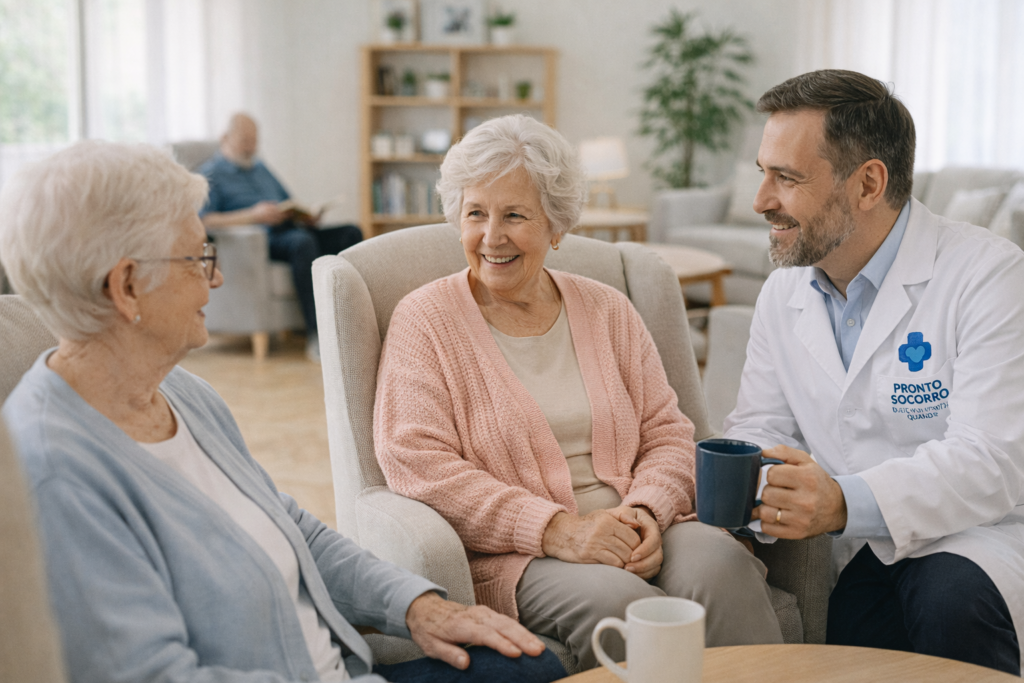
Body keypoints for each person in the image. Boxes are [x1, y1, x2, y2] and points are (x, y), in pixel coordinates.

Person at [0, 140, 566, 683]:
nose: (216, 278)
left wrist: (417, 606)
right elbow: (156, 676)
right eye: (199, 257)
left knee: (535, 665)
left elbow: (288, 525)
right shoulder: (55, 476)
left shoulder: (183, 395)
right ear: (127, 286)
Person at [373, 114, 783, 671]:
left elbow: (668, 431)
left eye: (515, 215)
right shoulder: (424, 320)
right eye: (476, 214)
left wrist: (645, 511)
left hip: (638, 524)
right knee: (623, 605)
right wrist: (555, 529)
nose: (491, 236)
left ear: (555, 225)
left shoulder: (607, 308)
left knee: (722, 566)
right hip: (523, 554)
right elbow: (418, 465)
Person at [725, 69, 1024, 675]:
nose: (761, 201)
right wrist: (752, 483)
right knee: (855, 629)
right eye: (762, 172)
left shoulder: (988, 274)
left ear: (868, 183)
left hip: (977, 534)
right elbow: (759, 423)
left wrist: (841, 501)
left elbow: (991, 460)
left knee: (950, 601)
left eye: (786, 177)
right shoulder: (783, 293)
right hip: (858, 549)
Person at [198, 112, 363, 362]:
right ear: (225, 138)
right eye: (245, 139)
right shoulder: (211, 174)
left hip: (291, 228)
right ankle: (316, 334)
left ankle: (356, 325)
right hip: (262, 241)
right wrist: (253, 215)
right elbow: (204, 220)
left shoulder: (261, 167)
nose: (251, 146)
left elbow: (288, 201)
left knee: (351, 232)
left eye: (254, 140)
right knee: (302, 243)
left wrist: (306, 215)